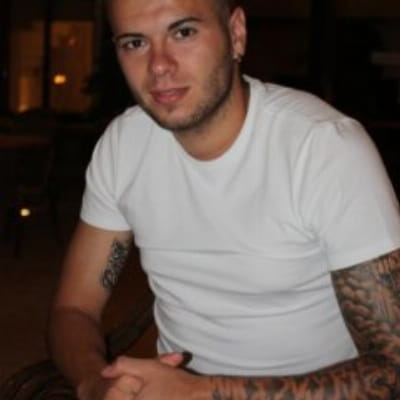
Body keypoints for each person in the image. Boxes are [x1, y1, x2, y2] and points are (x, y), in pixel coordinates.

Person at [48, 0, 400, 399]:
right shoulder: (124, 145)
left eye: (183, 32)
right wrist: (95, 381)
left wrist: (202, 392)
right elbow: (74, 309)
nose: (159, 65)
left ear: (236, 34)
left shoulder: (323, 148)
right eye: (135, 43)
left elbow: (392, 369)